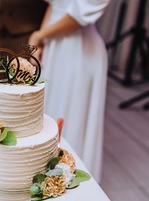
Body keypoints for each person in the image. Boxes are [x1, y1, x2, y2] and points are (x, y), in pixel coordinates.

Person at [29, 0, 110, 181]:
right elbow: (54, 4)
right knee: (47, 112)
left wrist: (39, 35)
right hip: (53, 46)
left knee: (71, 119)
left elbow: (78, 17)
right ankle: (38, 174)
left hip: (78, 52)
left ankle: (65, 178)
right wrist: (40, 41)